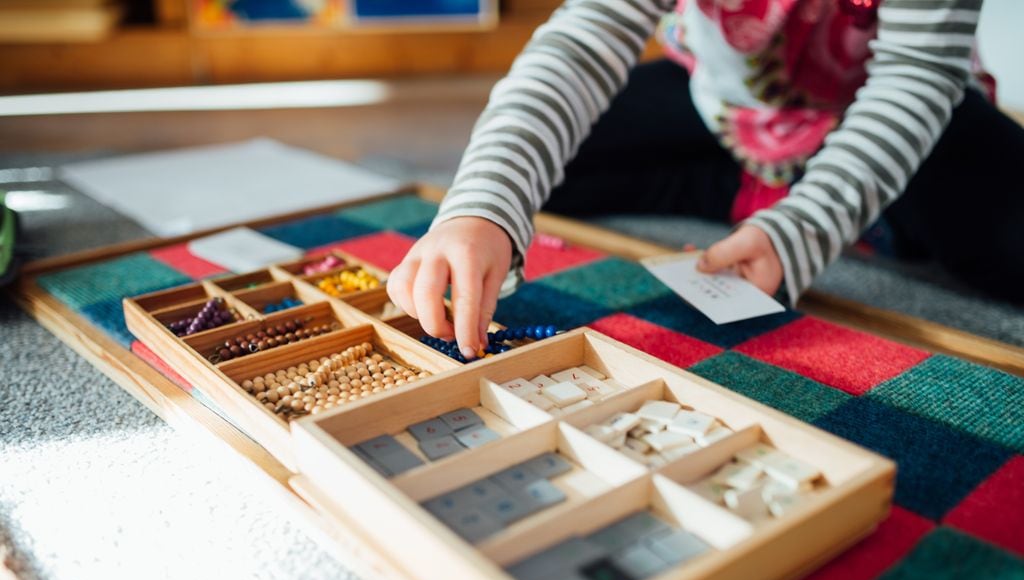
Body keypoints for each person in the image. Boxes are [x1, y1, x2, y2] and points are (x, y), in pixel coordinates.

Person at [387, 0, 1022, 359]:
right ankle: (758, 186)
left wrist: (802, 229)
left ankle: (827, 197)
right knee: (539, 163)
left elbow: (916, 76)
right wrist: (482, 208)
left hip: (897, 114)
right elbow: (583, 44)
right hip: (727, 106)